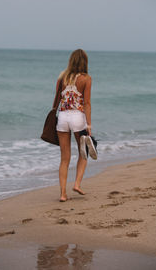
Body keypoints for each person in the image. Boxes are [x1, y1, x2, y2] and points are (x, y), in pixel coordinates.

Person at [52, 49, 92, 202]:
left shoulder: (61, 78)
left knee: (64, 158)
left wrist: (53, 117)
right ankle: (76, 184)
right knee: (84, 152)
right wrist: (89, 124)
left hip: (62, 117)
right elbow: (87, 103)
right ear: (84, 62)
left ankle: (63, 194)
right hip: (77, 118)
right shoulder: (86, 79)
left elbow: (56, 100)